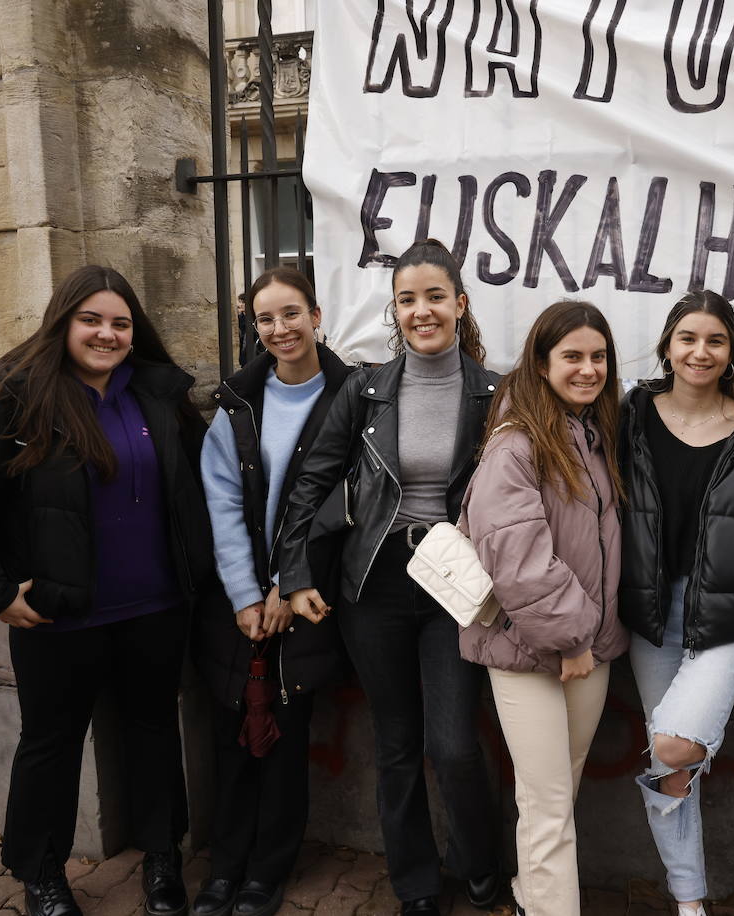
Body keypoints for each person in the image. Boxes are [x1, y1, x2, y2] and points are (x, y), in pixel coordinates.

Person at [0, 265, 214, 916]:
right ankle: (42, 873)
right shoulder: (16, 395)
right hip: (58, 615)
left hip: (156, 606)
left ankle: (162, 860)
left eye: (120, 323)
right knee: (50, 745)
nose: (107, 334)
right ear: (63, 323)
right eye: (91, 320)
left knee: (151, 732)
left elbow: (199, 487)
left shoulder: (158, 396)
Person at [277, 240, 501, 915]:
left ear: (459, 305)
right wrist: (294, 573)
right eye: (408, 299)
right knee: (397, 743)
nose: (422, 311)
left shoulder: (496, 392)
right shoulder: (365, 390)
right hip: (374, 582)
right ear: (395, 310)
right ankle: (416, 884)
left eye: (435, 296)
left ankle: (480, 861)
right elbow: (309, 484)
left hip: (455, 585)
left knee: (455, 745)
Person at [459, 299, 630, 916]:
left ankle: (533, 897)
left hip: (591, 648)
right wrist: (574, 640)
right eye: (572, 357)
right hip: (534, 653)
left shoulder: (591, 432)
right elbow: (518, 558)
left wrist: (591, 640)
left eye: (598, 357)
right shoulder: (517, 443)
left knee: (555, 797)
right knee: (550, 805)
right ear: (540, 362)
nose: (588, 369)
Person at [616, 290, 734, 916]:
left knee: (674, 746)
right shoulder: (630, 413)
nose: (700, 351)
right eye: (688, 338)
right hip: (652, 613)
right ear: (667, 346)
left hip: (731, 613)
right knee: (670, 766)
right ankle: (689, 900)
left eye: (715, 340)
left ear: (732, 352)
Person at [195, 267, 355, 916]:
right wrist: (243, 594)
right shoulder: (238, 402)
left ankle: (267, 871)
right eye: (266, 319)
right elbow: (223, 502)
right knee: (232, 735)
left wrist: (292, 586)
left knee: (286, 737)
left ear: (317, 316)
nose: (280, 329)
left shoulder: (354, 397)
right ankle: (223, 868)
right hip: (237, 604)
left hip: (306, 599)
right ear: (252, 325)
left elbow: (343, 505)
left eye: (292, 314)